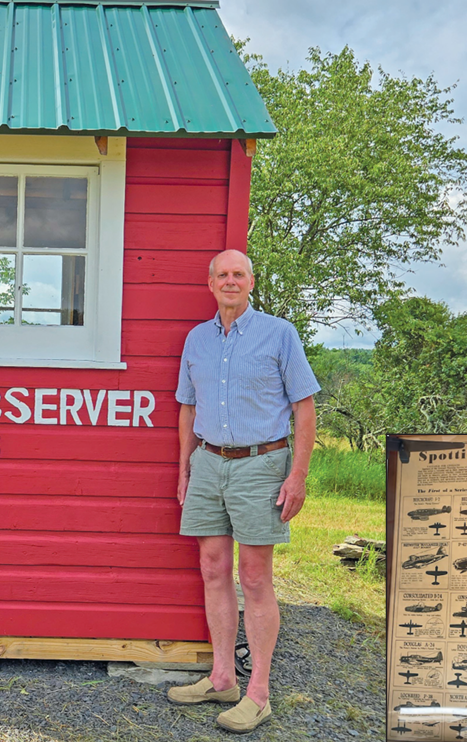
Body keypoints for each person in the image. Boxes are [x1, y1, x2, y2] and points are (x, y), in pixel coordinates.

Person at [165, 249, 319, 734]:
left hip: (261, 463)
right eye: (222, 275)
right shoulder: (196, 339)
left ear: (251, 282)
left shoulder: (279, 333)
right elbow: (187, 410)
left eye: (239, 274)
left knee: (254, 578)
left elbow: (305, 407)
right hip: (208, 463)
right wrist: (185, 469)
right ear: (209, 284)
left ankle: (259, 694)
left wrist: (297, 476)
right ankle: (222, 678)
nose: (230, 281)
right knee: (212, 569)